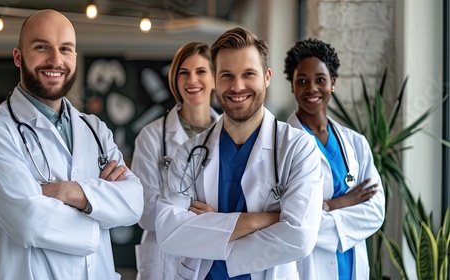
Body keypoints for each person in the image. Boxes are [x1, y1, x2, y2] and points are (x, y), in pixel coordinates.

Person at [0, 10, 143, 280]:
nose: (55, 60)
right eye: (41, 47)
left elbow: (134, 204)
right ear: (18, 56)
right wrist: (101, 208)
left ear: (74, 57)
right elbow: (28, 222)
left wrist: (74, 193)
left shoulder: (94, 129)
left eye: (65, 49)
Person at [155, 27, 324, 279]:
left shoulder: (298, 148)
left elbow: (299, 236)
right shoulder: (190, 153)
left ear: (267, 77)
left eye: (248, 74)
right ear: (215, 79)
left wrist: (213, 235)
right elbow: (168, 234)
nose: (237, 86)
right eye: (226, 75)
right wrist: (264, 219)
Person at [284, 38, 385, 280]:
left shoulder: (356, 143)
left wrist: (323, 209)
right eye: (302, 81)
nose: (312, 88)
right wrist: (342, 202)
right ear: (292, 87)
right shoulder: (281, 145)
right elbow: (290, 222)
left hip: (353, 267)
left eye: (320, 79)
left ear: (333, 83)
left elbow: (375, 212)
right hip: (308, 269)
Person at [132, 42, 220, 279]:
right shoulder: (152, 137)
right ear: (175, 79)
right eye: (184, 72)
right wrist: (208, 215)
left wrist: (175, 209)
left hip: (215, 254)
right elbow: (147, 214)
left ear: (214, 78)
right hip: (166, 262)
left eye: (201, 71)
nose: (192, 80)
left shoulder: (230, 134)